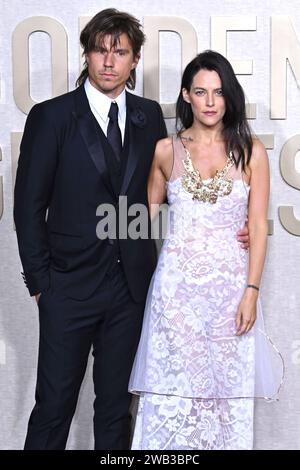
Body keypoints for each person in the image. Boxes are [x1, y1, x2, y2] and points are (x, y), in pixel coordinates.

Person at [14, 8, 249, 449]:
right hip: (67, 287)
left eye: (119, 52)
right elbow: (28, 207)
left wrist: (232, 228)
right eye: (100, 50)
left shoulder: (147, 117)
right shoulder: (52, 117)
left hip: (131, 290)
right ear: (87, 55)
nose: (109, 61)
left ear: (134, 59)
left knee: (116, 411)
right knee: (54, 406)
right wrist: (42, 284)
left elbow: (162, 199)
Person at [129, 50, 283, 450]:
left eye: (218, 92)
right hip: (175, 300)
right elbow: (144, 220)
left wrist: (252, 291)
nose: (211, 102)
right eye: (201, 92)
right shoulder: (166, 150)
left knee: (225, 407)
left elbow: (258, 228)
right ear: (186, 96)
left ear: (228, 97)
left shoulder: (252, 153)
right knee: (171, 401)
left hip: (231, 299)